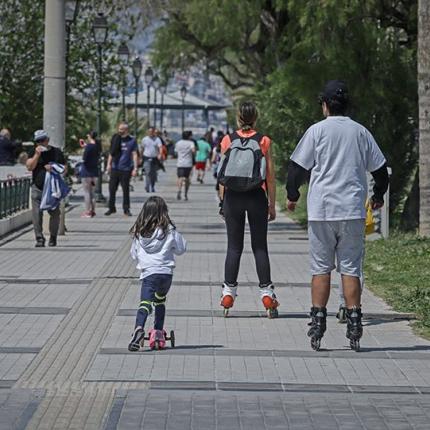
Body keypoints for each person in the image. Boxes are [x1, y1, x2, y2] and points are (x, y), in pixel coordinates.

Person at [286, 80, 389, 351]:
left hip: (322, 211)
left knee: (321, 268)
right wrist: (377, 196)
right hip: (352, 210)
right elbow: (380, 170)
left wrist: (292, 195)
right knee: (351, 268)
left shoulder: (316, 131)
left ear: (324, 105)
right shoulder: (361, 132)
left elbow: (296, 168)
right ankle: (354, 320)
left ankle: (317, 321)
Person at [218, 101, 278, 318]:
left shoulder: (227, 140)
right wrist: (271, 204)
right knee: (259, 247)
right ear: (256, 117)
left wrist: (222, 202)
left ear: (238, 118)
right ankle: (267, 294)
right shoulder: (263, 140)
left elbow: (222, 177)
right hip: (256, 196)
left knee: (233, 247)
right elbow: (270, 178)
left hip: (233, 197)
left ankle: (228, 293)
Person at [128, 196, 187, 351]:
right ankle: (158, 332)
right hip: (166, 274)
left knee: (145, 303)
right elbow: (181, 249)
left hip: (149, 274)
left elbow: (133, 254)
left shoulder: (140, 233)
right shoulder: (169, 230)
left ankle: (138, 329)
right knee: (160, 300)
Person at [26, 130, 66, 247]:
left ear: (47, 140)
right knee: (36, 214)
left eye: (43, 140)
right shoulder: (33, 151)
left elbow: (64, 168)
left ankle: (53, 237)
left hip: (53, 189)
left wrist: (53, 167)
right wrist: (37, 155)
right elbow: (29, 166)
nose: (41, 143)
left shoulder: (56, 152)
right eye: (38, 141)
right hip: (37, 188)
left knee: (54, 213)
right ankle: (39, 238)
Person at [105, 122, 138, 217]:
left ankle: (126, 209)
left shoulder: (132, 140)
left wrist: (135, 168)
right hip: (115, 167)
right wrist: (108, 164)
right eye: (119, 129)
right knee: (112, 188)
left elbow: (135, 154)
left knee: (125, 190)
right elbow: (111, 152)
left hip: (126, 168)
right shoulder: (116, 138)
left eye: (121, 129)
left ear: (126, 130)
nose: (119, 131)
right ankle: (111, 208)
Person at [80, 131, 100, 218]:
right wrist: (85, 146)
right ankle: (93, 211)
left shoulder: (88, 147)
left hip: (86, 172)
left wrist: (85, 148)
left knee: (87, 192)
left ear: (89, 136)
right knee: (93, 192)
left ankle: (87, 211)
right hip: (95, 172)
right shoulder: (97, 146)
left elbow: (84, 158)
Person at [175, 130, 196, 201]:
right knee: (187, 179)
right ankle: (185, 194)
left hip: (180, 163)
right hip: (188, 163)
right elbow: (193, 151)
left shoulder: (178, 143)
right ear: (189, 136)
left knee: (180, 177)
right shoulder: (191, 143)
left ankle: (179, 190)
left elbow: (176, 151)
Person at [140, 127, 162, 193]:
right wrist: (140, 157)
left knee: (153, 174)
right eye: (149, 132)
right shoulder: (144, 139)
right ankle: (147, 186)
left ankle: (152, 186)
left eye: (152, 131)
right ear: (147, 132)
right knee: (148, 172)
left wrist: (160, 154)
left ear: (153, 132)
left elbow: (160, 147)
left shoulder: (157, 139)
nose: (150, 133)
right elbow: (142, 148)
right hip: (146, 157)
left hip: (155, 158)